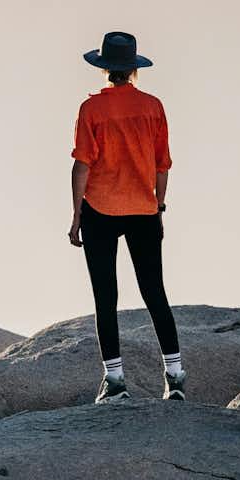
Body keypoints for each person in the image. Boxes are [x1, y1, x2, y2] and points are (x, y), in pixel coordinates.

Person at [66, 31, 182, 402]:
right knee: (155, 292)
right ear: (134, 69)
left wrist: (75, 214)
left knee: (106, 297)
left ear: (105, 69)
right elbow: (163, 165)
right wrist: (158, 205)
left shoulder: (92, 110)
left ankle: (115, 383)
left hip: (100, 209)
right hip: (144, 209)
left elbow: (81, 165)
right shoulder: (153, 107)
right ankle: (176, 375)